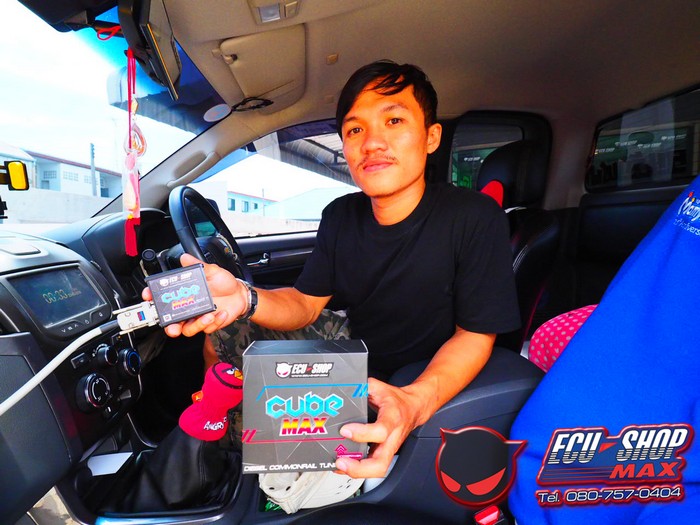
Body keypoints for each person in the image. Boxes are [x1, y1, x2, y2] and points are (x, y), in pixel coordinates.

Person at [145, 60, 520, 479]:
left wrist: (415, 401)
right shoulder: (341, 215)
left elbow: (475, 335)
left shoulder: (473, 217)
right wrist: (244, 298)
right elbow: (305, 303)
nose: (372, 142)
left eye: (394, 120)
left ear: (431, 137)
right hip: (353, 346)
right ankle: (213, 434)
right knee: (223, 330)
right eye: (355, 130)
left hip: (418, 373)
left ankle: (232, 449)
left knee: (260, 437)